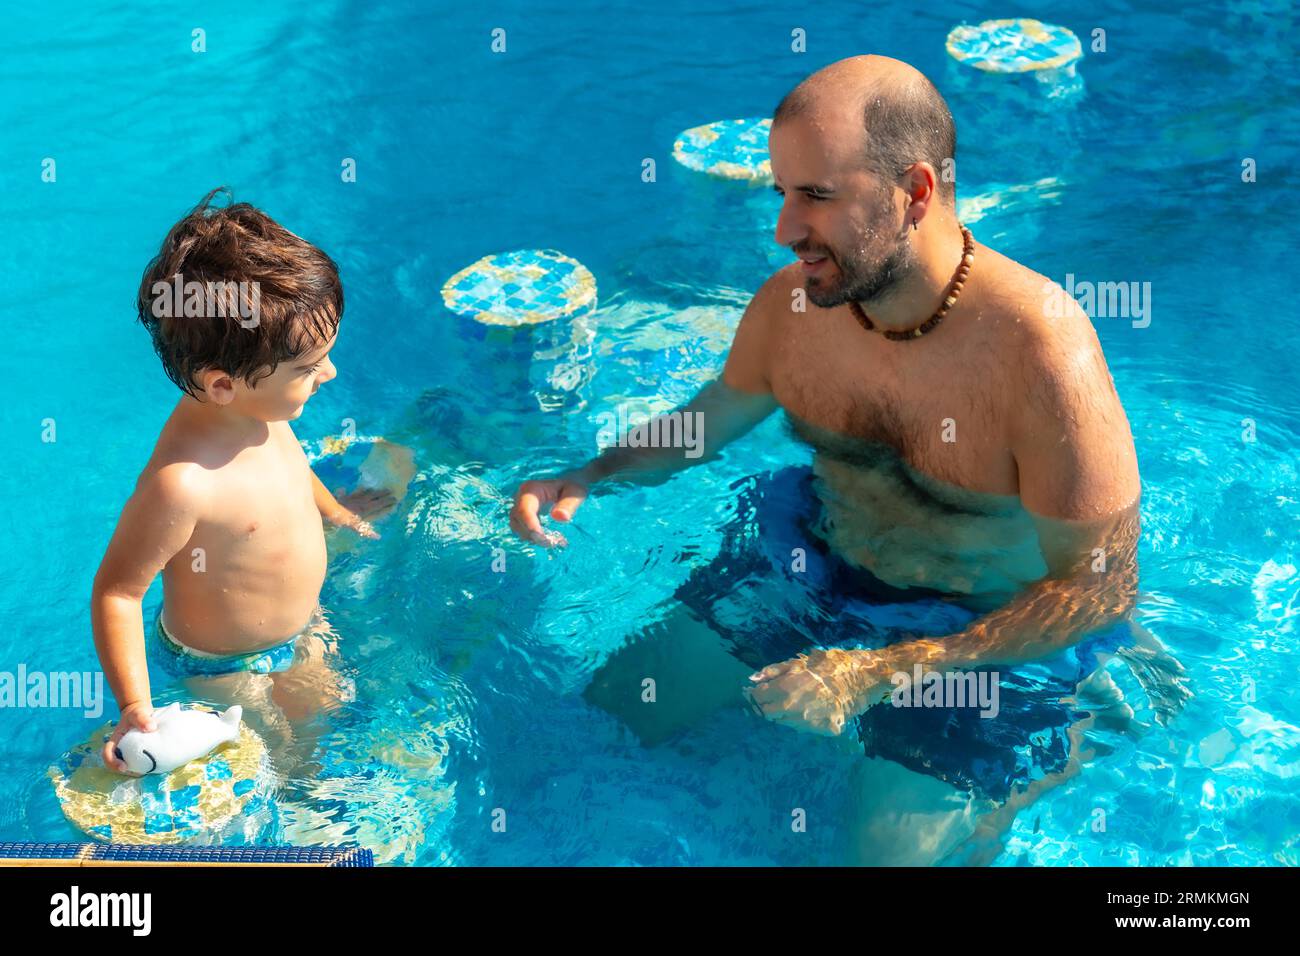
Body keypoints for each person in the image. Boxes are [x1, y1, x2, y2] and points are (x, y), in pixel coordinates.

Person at [509, 54, 1147, 743]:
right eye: (782, 193)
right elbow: (713, 416)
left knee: (884, 852)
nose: (784, 230)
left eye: (815, 195)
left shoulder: (1041, 350)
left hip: (975, 640)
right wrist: (592, 475)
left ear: (916, 193)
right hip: (814, 570)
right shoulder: (792, 308)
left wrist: (884, 670)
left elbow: (1098, 588)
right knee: (609, 722)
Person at [92, 189, 389, 773]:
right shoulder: (183, 485)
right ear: (223, 383)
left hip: (300, 630)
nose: (330, 372)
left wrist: (336, 513)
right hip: (220, 666)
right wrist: (134, 706)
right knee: (273, 759)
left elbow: (293, 472)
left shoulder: (261, 412)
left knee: (324, 730)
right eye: (308, 368)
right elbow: (118, 593)